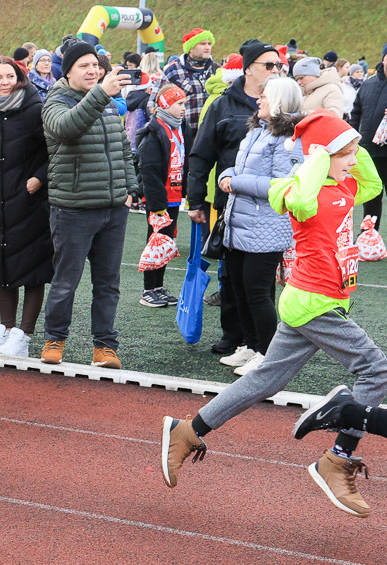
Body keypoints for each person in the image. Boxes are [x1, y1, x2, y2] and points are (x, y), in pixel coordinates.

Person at [160, 111, 387, 520]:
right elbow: (302, 199)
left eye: (354, 154)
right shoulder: (294, 188)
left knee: (265, 379)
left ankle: (189, 430)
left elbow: (372, 183)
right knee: (377, 372)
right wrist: (319, 155)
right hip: (312, 303)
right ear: (320, 156)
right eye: (345, 155)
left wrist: (351, 141)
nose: (352, 161)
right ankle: (338, 459)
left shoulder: (345, 185)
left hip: (324, 300)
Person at [39, 41, 134, 367]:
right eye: (85, 66)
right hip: (73, 209)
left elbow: (122, 147)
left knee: (108, 284)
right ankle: (54, 339)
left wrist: (130, 189)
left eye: (96, 65)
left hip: (113, 208)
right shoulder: (56, 100)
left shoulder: (107, 103)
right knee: (66, 282)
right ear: (67, 71)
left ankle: (104, 347)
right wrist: (100, 94)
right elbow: (67, 129)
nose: (93, 71)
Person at [187, 39, 282, 356]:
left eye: (278, 65)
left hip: (268, 205)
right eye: (268, 65)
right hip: (228, 203)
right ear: (248, 68)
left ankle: (260, 344)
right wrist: (196, 199)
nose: (275, 70)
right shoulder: (222, 104)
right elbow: (201, 155)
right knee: (230, 273)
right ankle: (235, 335)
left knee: (260, 278)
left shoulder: (281, 103)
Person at [215, 77, 304, 375]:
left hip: (266, 226)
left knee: (256, 291)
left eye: (264, 96)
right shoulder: (257, 131)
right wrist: (226, 175)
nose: (258, 100)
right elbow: (238, 167)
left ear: (279, 100)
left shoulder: (289, 139)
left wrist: (235, 181)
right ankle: (252, 346)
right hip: (241, 222)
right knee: (239, 288)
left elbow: (284, 183)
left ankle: (268, 354)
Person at [0, 56, 51, 358]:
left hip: (30, 198)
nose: (5, 82)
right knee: (3, 263)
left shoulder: (35, 109)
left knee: (32, 267)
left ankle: (23, 336)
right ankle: (5, 329)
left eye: (10, 76)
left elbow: (53, 149)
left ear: (20, 78)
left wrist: (39, 179)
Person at [136, 85, 189, 308]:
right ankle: (148, 290)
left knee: (167, 242)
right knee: (156, 242)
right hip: (160, 199)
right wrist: (157, 204)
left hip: (175, 197)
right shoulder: (154, 131)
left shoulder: (180, 127)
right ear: (166, 105)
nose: (184, 109)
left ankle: (158, 287)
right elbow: (148, 169)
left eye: (184, 104)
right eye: (180, 104)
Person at [351, 40, 387, 254]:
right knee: (371, 194)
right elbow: (356, 113)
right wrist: (352, 137)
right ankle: (369, 236)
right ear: (383, 58)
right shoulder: (368, 84)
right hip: (368, 149)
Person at [148, 28, 219, 131]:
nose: (207, 47)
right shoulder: (173, 70)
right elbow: (154, 103)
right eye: (202, 44)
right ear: (190, 47)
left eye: (209, 43)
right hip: (182, 134)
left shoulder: (217, 69)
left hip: (211, 133)